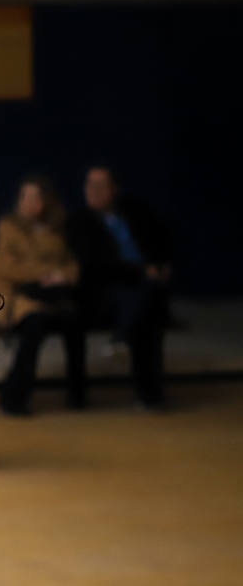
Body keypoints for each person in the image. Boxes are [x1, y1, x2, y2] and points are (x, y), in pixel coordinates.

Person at [68, 164, 172, 409]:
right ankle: (148, 390)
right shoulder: (79, 221)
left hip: (143, 289)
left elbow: (161, 243)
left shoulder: (136, 213)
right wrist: (143, 272)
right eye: (89, 185)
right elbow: (95, 265)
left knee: (148, 304)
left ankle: (148, 391)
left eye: (100, 185)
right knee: (143, 296)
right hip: (103, 294)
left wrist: (161, 266)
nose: (93, 191)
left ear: (114, 189)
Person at [0, 174, 85, 415]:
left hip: (51, 298)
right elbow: (5, 267)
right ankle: (13, 398)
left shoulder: (54, 231)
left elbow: (72, 265)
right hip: (20, 300)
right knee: (35, 326)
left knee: (75, 322)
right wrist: (46, 273)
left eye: (36, 197)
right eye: (26, 196)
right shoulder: (8, 227)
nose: (30, 202)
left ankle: (77, 394)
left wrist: (61, 276)